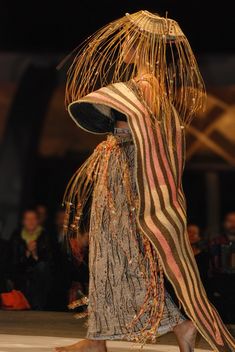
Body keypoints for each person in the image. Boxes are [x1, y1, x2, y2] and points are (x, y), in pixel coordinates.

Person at [55, 10, 235, 352]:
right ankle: (100, 338)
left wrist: (117, 130)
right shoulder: (147, 87)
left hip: (126, 183)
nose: (124, 44)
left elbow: (142, 135)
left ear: (141, 46)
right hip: (122, 179)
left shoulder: (146, 86)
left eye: (129, 40)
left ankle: (177, 325)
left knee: (120, 256)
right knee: (113, 255)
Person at [9, 209, 53, 310]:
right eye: (28, 219)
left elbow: (50, 261)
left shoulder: (45, 236)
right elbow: (14, 262)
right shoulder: (16, 237)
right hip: (21, 275)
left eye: (33, 218)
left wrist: (35, 254)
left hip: (40, 277)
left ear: (38, 221)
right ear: (23, 221)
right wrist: (27, 253)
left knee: (41, 269)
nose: (31, 221)